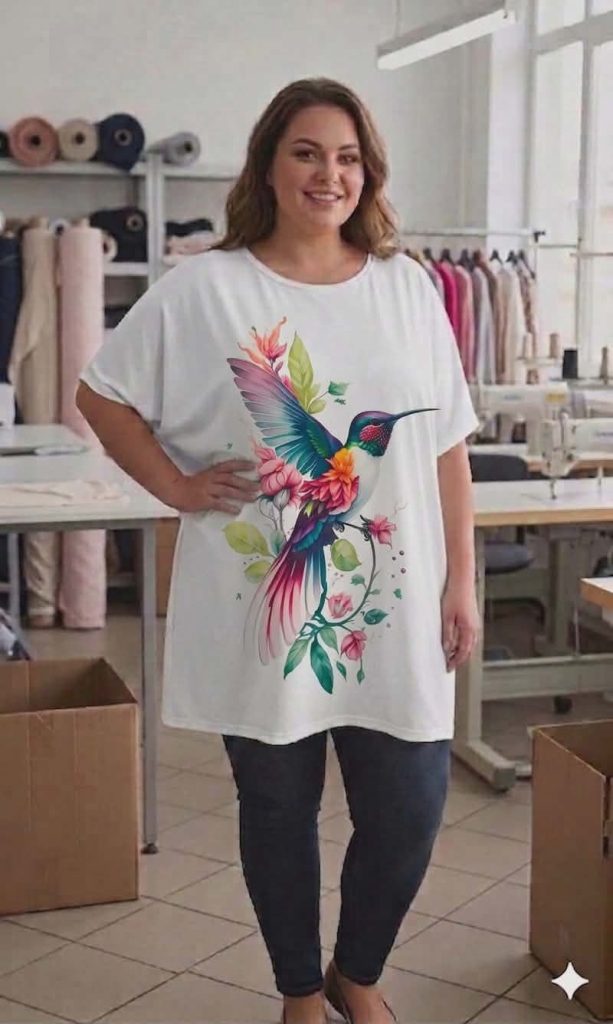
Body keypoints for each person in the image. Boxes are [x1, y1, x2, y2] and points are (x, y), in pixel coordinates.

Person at [77, 78, 480, 1024]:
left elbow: (447, 444)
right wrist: (176, 487)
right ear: (268, 165)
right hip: (260, 606)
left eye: (346, 158)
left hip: (396, 606)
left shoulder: (408, 287)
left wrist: (461, 581)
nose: (327, 174)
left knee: (410, 805)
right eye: (305, 152)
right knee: (276, 810)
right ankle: (300, 989)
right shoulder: (205, 288)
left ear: (367, 174)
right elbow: (102, 394)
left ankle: (357, 972)